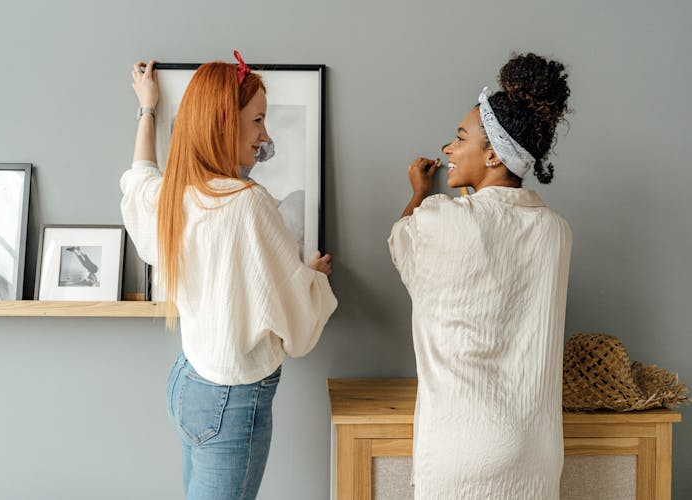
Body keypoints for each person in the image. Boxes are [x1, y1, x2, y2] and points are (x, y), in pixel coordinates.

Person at [120, 52, 337, 500]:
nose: (265, 134)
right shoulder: (247, 204)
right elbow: (294, 313)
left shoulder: (176, 195)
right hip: (233, 400)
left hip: (187, 383)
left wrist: (146, 109)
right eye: (257, 120)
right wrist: (313, 278)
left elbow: (139, 180)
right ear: (224, 122)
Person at [388, 53, 572, 499]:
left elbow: (401, 244)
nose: (448, 149)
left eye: (459, 138)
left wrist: (418, 193)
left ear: (492, 153)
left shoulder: (441, 219)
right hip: (536, 450)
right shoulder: (556, 230)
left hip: (462, 444)